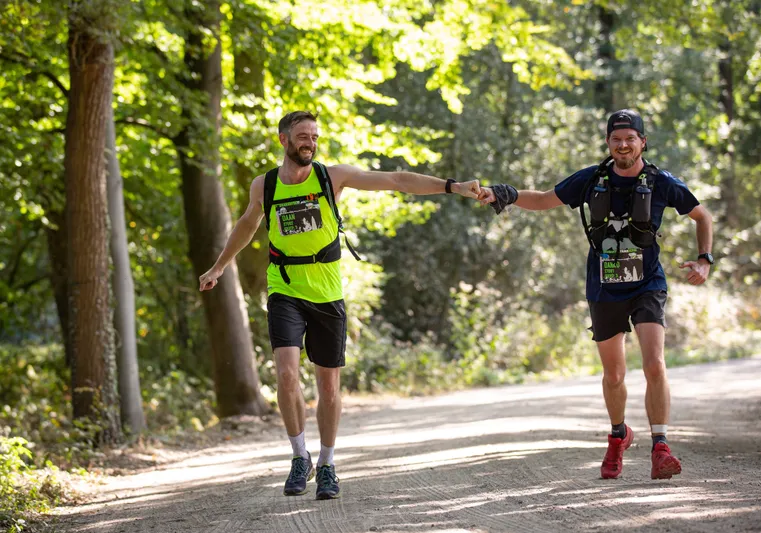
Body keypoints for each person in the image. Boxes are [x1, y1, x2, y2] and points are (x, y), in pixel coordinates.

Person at [198, 111, 481, 499]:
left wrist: (454, 186)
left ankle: (328, 464)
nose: (309, 143)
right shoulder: (264, 186)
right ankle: (300, 456)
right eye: (301, 136)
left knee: (328, 387)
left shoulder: (332, 177)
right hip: (285, 287)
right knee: (285, 374)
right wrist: (218, 267)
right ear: (283, 140)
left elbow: (397, 180)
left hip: (327, 292)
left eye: (314, 136)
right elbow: (248, 225)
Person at [477, 109, 714, 480]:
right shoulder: (591, 180)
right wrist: (503, 194)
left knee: (654, 364)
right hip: (604, 286)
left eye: (630, 139)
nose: (623, 145)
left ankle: (661, 446)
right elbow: (541, 199)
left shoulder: (662, 182)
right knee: (615, 374)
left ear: (642, 142)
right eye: (616, 139)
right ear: (608, 143)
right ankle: (619, 436)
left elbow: (703, 216)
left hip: (648, 283)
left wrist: (704, 260)